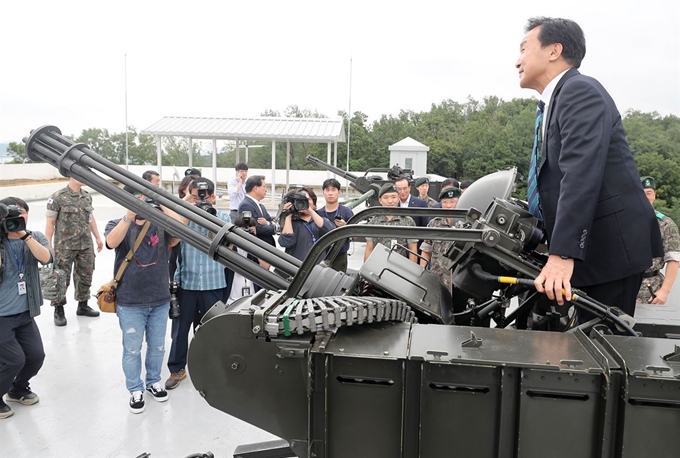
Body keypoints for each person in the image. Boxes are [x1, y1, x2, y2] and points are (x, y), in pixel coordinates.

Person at [516, 16, 661, 317]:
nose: (517, 61)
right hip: (593, 254)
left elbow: (581, 175)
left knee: (602, 353)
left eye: (524, 49)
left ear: (554, 51)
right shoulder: (553, 102)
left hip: (609, 252)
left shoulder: (579, 91)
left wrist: (562, 253)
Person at [104, 185, 181, 413]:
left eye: (144, 198)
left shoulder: (161, 223)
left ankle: (153, 382)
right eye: (136, 198)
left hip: (160, 297)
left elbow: (180, 230)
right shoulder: (117, 223)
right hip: (130, 300)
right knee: (132, 349)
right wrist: (130, 213)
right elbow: (111, 242)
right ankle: (135, 389)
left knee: (157, 347)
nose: (141, 202)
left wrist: (162, 203)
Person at [165, 178, 231, 390]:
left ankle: (210, 369)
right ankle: (177, 369)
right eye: (195, 196)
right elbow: (172, 241)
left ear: (212, 197)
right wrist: (186, 213)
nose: (200, 200)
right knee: (180, 330)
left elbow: (229, 246)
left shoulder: (222, 217)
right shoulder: (183, 217)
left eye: (203, 196)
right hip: (187, 283)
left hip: (213, 282)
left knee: (211, 331)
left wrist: (211, 221)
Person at [0, 197, 52, 419]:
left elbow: (47, 258)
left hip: (25, 312)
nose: (17, 218)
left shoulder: (35, 237)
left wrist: (24, 235)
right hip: (2, 315)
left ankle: (18, 388)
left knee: (35, 356)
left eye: (21, 213)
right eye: (11, 215)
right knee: (14, 360)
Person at [45, 177, 103, 326]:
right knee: (61, 279)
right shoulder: (57, 197)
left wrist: (97, 237)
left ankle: (83, 305)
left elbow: (90, 218)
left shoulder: (87, 196)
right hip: (64, 246)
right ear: (71, 176)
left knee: (86, 275)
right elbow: (50, 223)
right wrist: (48, 244)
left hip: (85, 245)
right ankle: (58, 310)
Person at [637, 177, 680, 305]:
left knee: (650, 325)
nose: (645, 197)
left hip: (651, 289)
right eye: (640, 192)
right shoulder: (622, 222)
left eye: (648, 193)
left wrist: (664, 291)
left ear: (654, 195)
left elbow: (673, 259)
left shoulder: (665, 224)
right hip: (624, 286)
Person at [420, 188, 462, 294]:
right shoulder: (434, 224)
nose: (448, 206)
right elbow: (426, 251)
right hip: (437, 278)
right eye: (445, 202)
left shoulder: (465, 225)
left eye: (452, 202)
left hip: (459, 280)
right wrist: (421, 272)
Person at [364, 184, 418, 263]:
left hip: (400, 267)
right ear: (380, 200)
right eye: (386, 198)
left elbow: (413, 250)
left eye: (393, 197)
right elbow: (369, 249)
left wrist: (412, 272)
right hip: (378, 265)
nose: (390, 201)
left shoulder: (407, 221)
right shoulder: (373, 222)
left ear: (398, 198)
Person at [278, 187, 334, 262]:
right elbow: (286, 242)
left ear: (314, 203)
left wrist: (309, 210)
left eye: (307, 199)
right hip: (296, 266)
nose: (303, 202)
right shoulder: (292, 222)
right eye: (299, 200)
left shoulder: (319, 220)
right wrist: (287, 215)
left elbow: (331, 231)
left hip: (317, 268)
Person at [238, 175, 276, 274]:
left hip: (264, 251)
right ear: (255, 188)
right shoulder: (246, 205)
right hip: (255, 252)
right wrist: (273, 228)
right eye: (264, 186)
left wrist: (268, 223)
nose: (266, 190)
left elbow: (270, 221)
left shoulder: (260, 206)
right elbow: (254, 228)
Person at [318, 178, 355, 272]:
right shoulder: (318, 213)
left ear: (339, 192)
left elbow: (356, 235)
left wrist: (345, 226)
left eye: (333, 190)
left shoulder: (346, 212)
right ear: (323, 192)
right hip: (321, 255)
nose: (330, 193)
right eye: (327, 190)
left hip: (340, 256)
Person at [226, 217, 256, 305]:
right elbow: (224, 263)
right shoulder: (230, 246)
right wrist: (233, 239)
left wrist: (255, 243)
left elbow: (266, 267)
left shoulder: (257, 249)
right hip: (232, 298)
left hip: (253, 297)